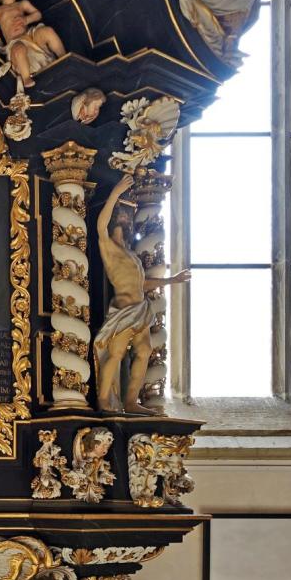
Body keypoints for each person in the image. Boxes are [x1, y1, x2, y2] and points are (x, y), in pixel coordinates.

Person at [94, 174, 190, 413]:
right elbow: (100, 226)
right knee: (116, 353)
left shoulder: (132, 255)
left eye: (128, 217)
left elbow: (142, 284)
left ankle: (130, 402)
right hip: (124, 310)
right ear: (115, 220)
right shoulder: (109, 248)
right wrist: (116, 192)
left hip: (141, 309)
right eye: (123, 216)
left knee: (145, 351)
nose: (127, 219)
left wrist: (172, 280)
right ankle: (103, 400)